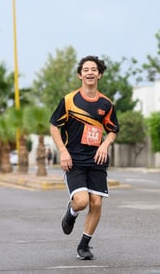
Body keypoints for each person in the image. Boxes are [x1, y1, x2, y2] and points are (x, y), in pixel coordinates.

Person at [50, 55, 119, 260]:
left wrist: (105, 144)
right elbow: (54, 126)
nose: (90, 72)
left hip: (96, 161)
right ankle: (70, 214)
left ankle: (84, 245)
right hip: (74, 160)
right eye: (86, 69)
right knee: (81, 202)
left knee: (96, 203)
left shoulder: (106, 103)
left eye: (94, 69)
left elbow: (113, 129)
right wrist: (63, 150)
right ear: (80, 75)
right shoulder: (69, 100)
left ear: (99, 74)